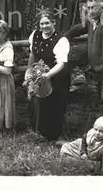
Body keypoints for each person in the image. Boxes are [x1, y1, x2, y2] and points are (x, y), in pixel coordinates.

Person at [27, 11, 71, 141]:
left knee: (54, 105)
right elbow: (32, 54)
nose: (44, 26)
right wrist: (30, 71)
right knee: (38, 101)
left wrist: (48, 75)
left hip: (57, 76)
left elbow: (61, 64)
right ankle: (38, 132)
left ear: (54, 23)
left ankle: (54, 136)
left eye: (47, 23)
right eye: (42, 23)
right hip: (39, 73)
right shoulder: (35, 35)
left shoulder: (61, 40)